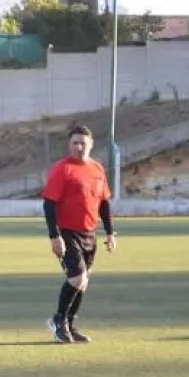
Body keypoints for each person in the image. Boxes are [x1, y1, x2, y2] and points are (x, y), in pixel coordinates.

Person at [42, 125, 116, 343]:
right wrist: (54, 237)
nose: (79, 146)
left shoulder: (97, 169)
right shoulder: (63, 169)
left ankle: (70, 326)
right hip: (67, 232)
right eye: (75, 142)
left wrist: (110, 233)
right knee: (77, 277)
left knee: (83, 283)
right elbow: (49, 204)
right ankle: (58, 320)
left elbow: (104, 202)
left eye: (83, 142)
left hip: (89, 232)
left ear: (91, 144)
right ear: (69, 144)